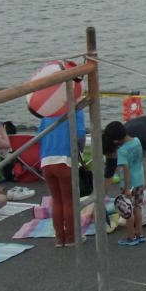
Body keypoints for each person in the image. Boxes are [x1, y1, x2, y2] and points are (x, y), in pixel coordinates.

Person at [39, 107, 86, 249]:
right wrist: (79, 151)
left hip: (46, 160)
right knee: (69, 201)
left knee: (57, 201)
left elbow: (40, 136)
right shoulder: (75, 109)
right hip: (65, 158)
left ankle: (59, 238)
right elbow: (80, 136)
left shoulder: (47, 112)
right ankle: (72, 237)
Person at [113, 123, 146, 246]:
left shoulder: (122, 150)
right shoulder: (137, 141)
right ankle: (140, 233)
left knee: (127, 211)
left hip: (129, 183)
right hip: (140, 180)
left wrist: (126, 187)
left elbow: (126, 169)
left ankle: (131, 237)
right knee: (138, 207)